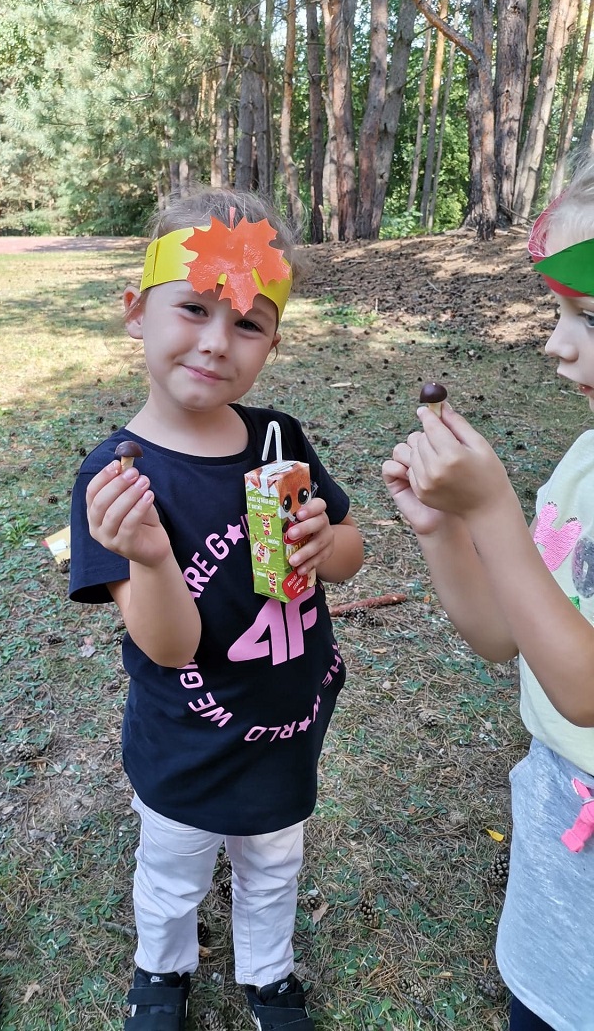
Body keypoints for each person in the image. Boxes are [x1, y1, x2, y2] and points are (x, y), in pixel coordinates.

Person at [69, 188, 364, 1030]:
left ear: (273, 341)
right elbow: (169, 647)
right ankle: (162, 969)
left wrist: (325, 543)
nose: (215, 341)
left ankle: (269, 973)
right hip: (186, 745)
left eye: (248, 323)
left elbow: (351, 554)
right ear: (136, 311)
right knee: (173, 874)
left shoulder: (278, 440)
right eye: (194, 308)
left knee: (274, 864)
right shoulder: (118, 475)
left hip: (284, 728)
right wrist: (151, 555)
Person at [382, 158, 594, 1031]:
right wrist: (444, 531)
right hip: (559, 817)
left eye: (588, 315)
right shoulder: (584, 462)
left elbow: (587, 692)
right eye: (558, 312)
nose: (556, 344)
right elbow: (509, 639)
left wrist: (495, 511)